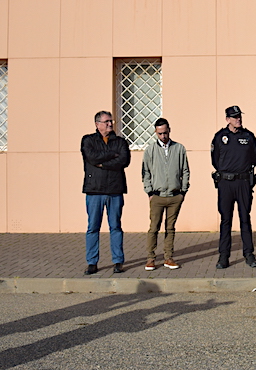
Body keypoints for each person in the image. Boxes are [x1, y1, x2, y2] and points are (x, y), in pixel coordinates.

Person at [81, 110, 131, 275]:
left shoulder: (121, 142)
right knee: (93, 228)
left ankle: (118, 261)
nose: (110, 124)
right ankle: (92, 262)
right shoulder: (88, 140)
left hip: (115, 190)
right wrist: (110, 156)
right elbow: (92, 157)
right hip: (94, 190)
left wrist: (103, 163)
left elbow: (124, 160)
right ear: (97, 124)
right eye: (107, 121)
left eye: (111, 121)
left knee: (115, 226)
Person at [211, 106, 256, 269]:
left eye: (239, 116)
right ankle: (224, 256)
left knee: (245, 218)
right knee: (226, 220)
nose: (238, 119)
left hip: (243, 182)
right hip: (225, 183)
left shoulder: (249, 136)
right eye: (234, 117)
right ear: (227, 119)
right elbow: (215, 160)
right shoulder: (220, 137)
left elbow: (255, 158)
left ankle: (249, 254)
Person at [141, 118, 190, 270]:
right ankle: (150, 258)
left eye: (165, 133)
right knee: (154, 227)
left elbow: (185, 171)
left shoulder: (179, 148)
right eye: (160, 133)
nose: (163, 136)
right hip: (157, 196)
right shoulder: (150, 150)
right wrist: (149, 191)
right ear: (156, 132)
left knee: (170, 228)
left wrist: (183, 191)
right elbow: (145, 172)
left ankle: (168, 257)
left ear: (169, 130)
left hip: (175, 196)